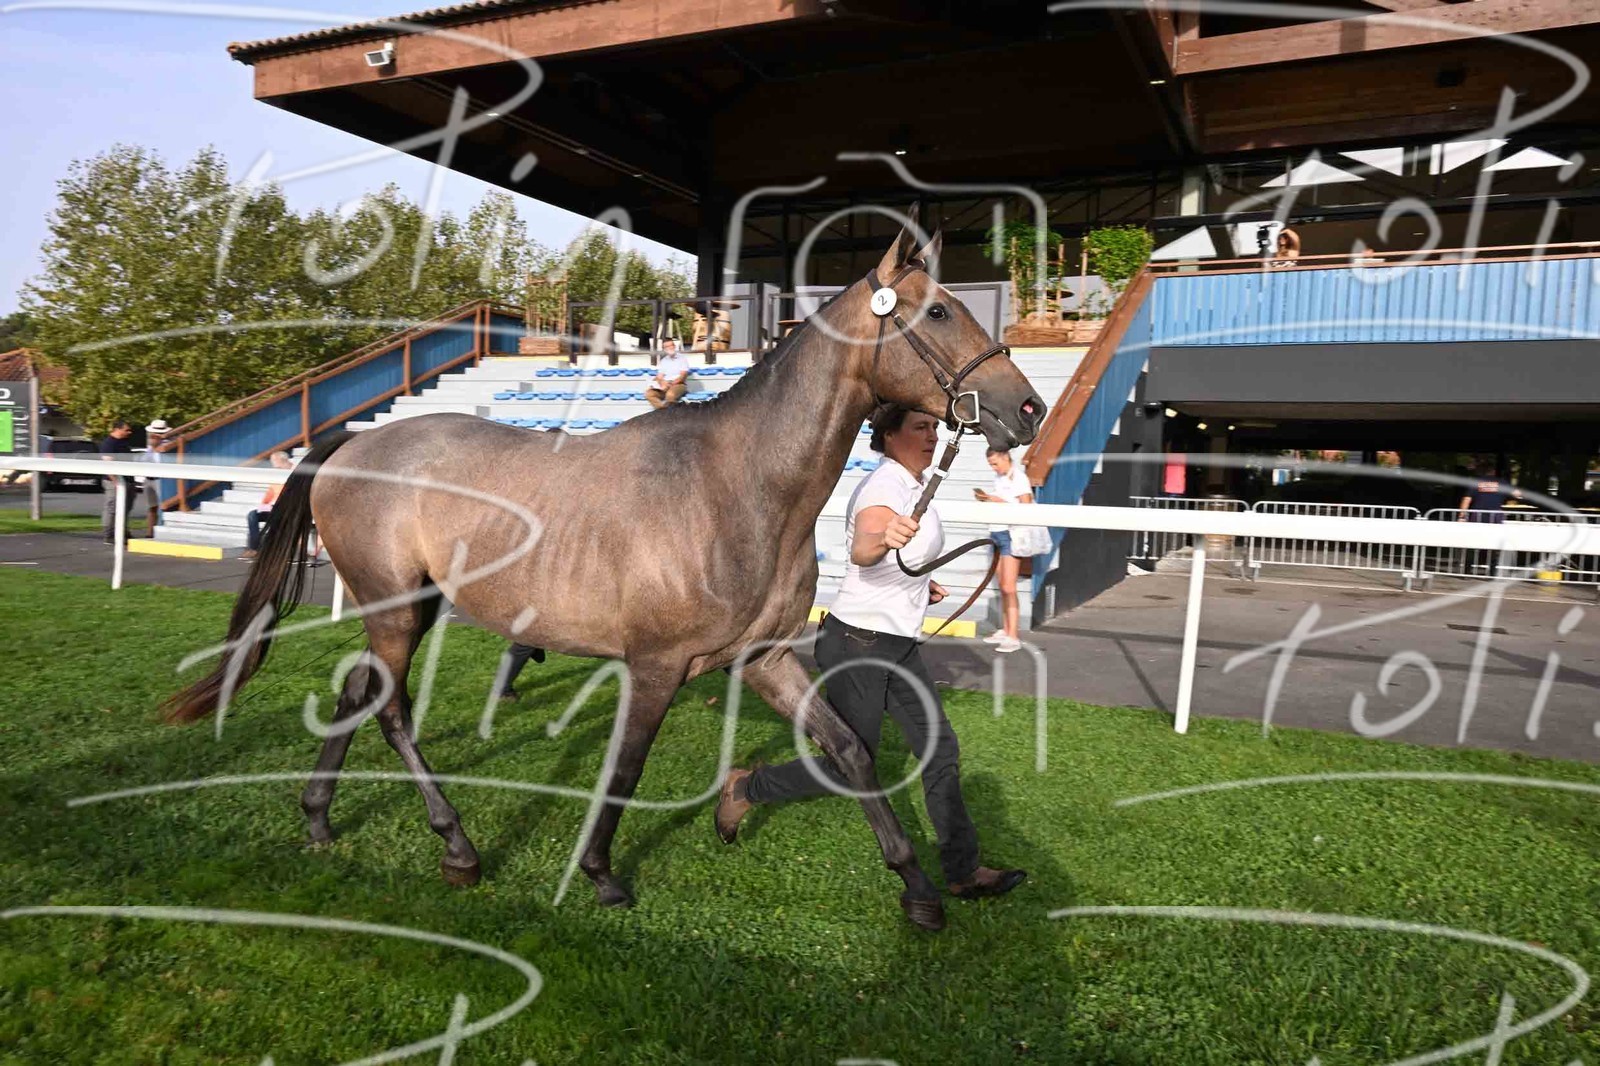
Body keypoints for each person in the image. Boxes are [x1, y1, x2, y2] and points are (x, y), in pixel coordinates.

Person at [715, 403, 1027, 902]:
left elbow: (896, 562)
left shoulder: (912, 485)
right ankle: (746, 788)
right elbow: (864, 550)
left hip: (896, 645)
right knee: (848, 764)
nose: (932, 435)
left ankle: (963, 870)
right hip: (858, 643)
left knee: (940, 750)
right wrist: (883, 539)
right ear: (889, 434)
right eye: (920, 427)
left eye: (934, 427)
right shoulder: (884, 486)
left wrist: (921, 584)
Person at [974, 447, 1035, 653]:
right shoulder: (999, 478)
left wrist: (997, 501)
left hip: (1011, 534)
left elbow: (1026, 507)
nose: (993, 467)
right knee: (1002, 585)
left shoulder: (1019, 478)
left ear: (1006, 458)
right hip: (997, 532)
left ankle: (1013, 636)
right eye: (990, 464)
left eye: (995, 463)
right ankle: (1006, 629)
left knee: (1009, 587)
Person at [241, 451, 294, 560]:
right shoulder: (278, 473)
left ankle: (270, 549)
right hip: (273, 507)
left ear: (281, 460)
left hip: (288, 508)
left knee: (276, 518)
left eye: (274, 462)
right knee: (252, 515)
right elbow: (270, 492)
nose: (273, 465)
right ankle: (254, 548)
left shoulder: (295, 473)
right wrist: (263, 505)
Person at [99, 420, 136, 544]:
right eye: (126, 430)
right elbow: (107, 464)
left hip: (128, 480)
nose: (129, 432)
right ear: (117, 429)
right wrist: (115, 481)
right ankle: (109, 534)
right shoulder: (109, 444)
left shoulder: (124, 442)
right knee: (112, 508)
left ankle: (123, 532)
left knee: (126, 508)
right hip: (114, 481)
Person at [139, 419, 173, 538]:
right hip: (149, 478)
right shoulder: (150, 446)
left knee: (164, 505)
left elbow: (161, 461)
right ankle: (150, 532)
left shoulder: (168, 445)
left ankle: (162, 530)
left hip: (161, 479)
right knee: (151, 506)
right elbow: (144, 460)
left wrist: (156, 447)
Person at [646, 338, 690, 409]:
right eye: (667, 346)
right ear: (664, 349)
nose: (669, 348)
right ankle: (662, 410)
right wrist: (662, 383)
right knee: (649, 394)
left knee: (670, 395)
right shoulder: (663, 361)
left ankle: (673, 413)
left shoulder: (682, 358)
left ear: (674, 346)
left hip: (678, 384)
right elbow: (659, 376)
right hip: (665, 385)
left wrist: (671, 383)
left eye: (671, 345)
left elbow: (683, 376)